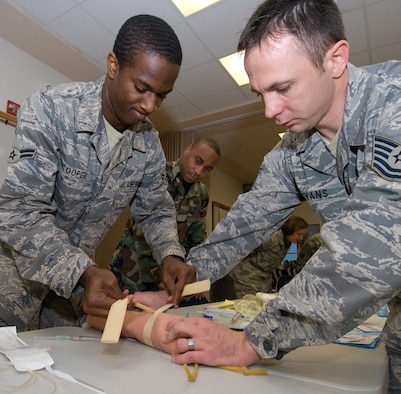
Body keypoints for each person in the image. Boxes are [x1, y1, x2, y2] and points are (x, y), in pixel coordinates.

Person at [139, 0, 401, 390]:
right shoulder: (295, 150)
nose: (269, 110)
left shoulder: (392, 106)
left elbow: (368, 251)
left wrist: (249, 342)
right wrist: (183, 283)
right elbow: (244, 225)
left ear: (335, 59)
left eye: (282, 88)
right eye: (261, 92)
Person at [0, 14, 195, 332]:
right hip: (13, 278)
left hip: (73, 291)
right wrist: (84, 271)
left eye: (161, 95)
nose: (151, 105)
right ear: (114, 66)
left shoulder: (148, 143)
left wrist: (170, 254)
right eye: (142, 88)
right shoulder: (51, 109)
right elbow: (19, 212)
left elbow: (156, 209)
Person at [109, 137, 220, 293]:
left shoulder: (201, 194)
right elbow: (143, 225)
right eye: (198, 161)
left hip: (167, 276)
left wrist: (190, 275)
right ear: (187, 150)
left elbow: (195, 239)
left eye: (207, 168)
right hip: (131, 269)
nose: (199, 171)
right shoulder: (157, 175)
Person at [229, 216, 308, 297]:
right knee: (250, 305)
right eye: (299, 234)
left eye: (303, 235)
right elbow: (243, 249)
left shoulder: (288, 242)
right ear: (289, 230)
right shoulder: (271, 238)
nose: (301, 238)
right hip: (247, 277)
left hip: (264, 278)